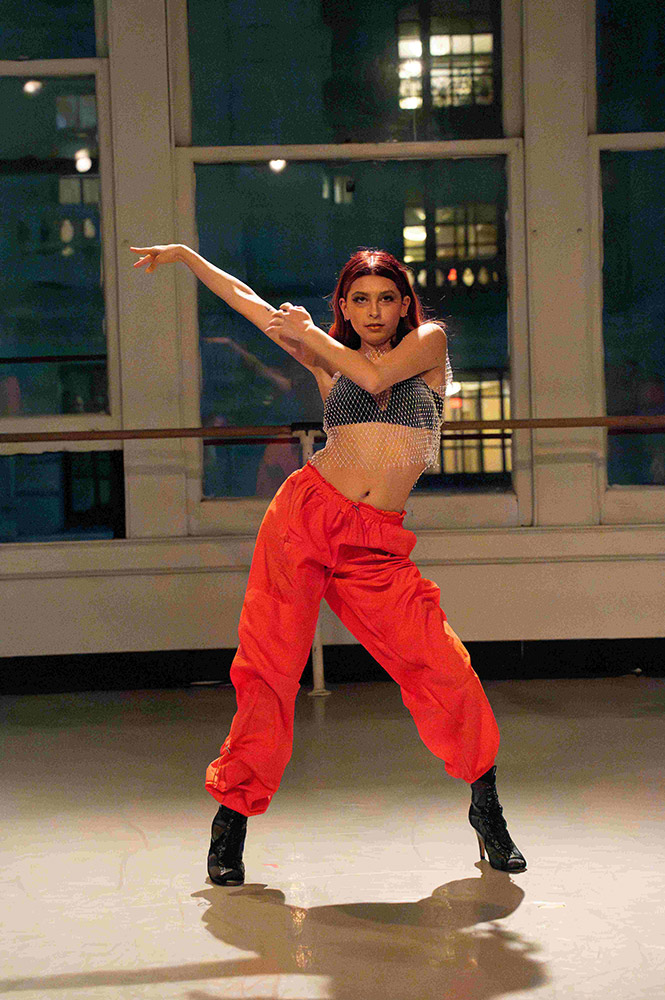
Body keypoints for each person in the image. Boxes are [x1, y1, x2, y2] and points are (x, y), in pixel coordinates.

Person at [130, 242, 527, 882]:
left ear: (404, 306)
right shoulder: (328, 356)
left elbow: (373, 379)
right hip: (305, 518)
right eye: (360, 300)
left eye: (386, 299)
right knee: (271, 667)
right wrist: (187, 259)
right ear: (344, 303)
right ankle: (230, 823)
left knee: (442, 664)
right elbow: (252, 307)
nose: (374, 311)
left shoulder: (427, 344)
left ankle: (487, 808)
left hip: (375, 542)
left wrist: (313, 333)